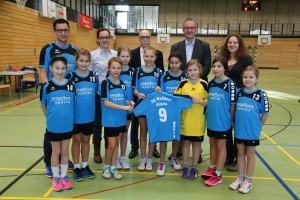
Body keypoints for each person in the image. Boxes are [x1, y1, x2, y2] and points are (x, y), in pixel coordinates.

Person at [39, 18, 77, 177]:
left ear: (69, 31)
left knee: (66, 130)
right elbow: (42, 72)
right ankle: (49, 163)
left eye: (65, 30)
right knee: (51, 132)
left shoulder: (74, 50)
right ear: (55, 32)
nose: (63, 33)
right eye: (60, 30)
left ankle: (63, 159)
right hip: (53, 97)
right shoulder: (48, 49)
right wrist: (51, 91)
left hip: (68, 96)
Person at [170, 17, 211, 162]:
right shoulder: (175, 46)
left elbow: (207, 65)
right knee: (184, 118)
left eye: (192, 27)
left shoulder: (204, 45)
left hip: (198, 85)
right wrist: (186, 79)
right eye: (187, 28)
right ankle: (181, 150)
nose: (189, 30)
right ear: (183, 30)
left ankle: (197, 153)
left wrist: (196, 77)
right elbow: (175, 65)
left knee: (196, 120)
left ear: (196, 29)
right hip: (184, 86)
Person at [229, 65, 269, 194]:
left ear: (256, 78)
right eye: (245, 77)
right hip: (240, 130)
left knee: (250, 155)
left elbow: (265, 113)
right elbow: (234, 109)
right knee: (240, 154)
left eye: (251, 77)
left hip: (252, 132)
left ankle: (248, 180)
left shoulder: (261, 94)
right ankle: (240, 178)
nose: (248, 79)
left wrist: (258, 127)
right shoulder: (239, 92)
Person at [40, 56, 75, 191]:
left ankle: (64, 176)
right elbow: (43, 104)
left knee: (65, 151)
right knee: (56, 151)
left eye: (63, 68)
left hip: (67, 124)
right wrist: (49, 117)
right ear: (51, 68)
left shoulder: (71, 85)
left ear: (66, 69)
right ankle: (56, 177)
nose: (60, 71)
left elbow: (73, 103)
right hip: (54, 125)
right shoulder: (47, 86)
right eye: (57, 68)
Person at [201, 57, 237, 186]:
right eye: (214, 66)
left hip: (223, 122)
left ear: (225, 68)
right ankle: (212, 167)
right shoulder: (210, 83)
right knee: (212, 145)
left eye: (219, 66)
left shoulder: (230, 84)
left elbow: (232, 105)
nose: (215, 69)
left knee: (221, 147)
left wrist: (230, 121)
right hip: (211, 120)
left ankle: (218, 174)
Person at [128, 29, 164, 159]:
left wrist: (159, 89)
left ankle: (152, 151)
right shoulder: (133, 55)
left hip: (154, 103)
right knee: (138, 127)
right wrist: (137, 94)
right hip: (139, 101)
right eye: (142, 37)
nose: (144, 39)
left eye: (147, 37)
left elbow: (161, 79)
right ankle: (135, 148)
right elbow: (134, 82)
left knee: (153, 129)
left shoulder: (158, 59)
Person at [220, 34, 253, 171]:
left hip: (239, 98)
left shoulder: (246, 59)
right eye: (229, 42)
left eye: (234, 42)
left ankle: (235, 158)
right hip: (225, 98)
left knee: (237, 127)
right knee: (226, 126)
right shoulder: (223, 59)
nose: (231, 44)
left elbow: (250, 78)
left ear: (239, 45)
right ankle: (227, 156)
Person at [66, 49, 98, 181]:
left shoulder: (93, 76)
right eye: (81, 60)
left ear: (90, 62)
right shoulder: (71, 77)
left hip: (89, 116)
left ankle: (85, 165)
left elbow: (95, 94)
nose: (84, 63)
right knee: (76, 141)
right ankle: (76, 166)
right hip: (75, 116)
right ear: (76, 61)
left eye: (86, 61)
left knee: (86, 141)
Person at [100, 57, 135, 180]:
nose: (116, 70)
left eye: (118, 68)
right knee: (112, 145)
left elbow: (123, 99)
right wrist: (124, 108)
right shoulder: (105, 83)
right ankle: (106, 166)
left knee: (117, 144)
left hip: (120, 120)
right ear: (109, 68)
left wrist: (129, 102)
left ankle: (114, 167)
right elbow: (106, 103)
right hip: (110, 120)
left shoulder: (122, 84)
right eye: (113, 68)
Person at [175, 59, 208, 180]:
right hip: (185, 120)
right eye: (190, 70)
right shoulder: (183, 84)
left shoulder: (204, 84)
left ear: (200, 70)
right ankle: (185, 165)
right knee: (186, 143)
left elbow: (208, 103)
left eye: (195, 69)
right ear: (186, 71)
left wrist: (200, 101)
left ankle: (194, 167)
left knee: (196, 143)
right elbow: (176, 99)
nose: (193, 72)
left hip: (198, 121)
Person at [132, 46, 163, 171]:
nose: (149, 59)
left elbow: (161, 88)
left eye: (151, 56)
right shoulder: (138, 71)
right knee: (143, 132)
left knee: (153, 133)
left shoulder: (159, 72)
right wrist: (138, 94)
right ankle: (143, 159)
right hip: (142, 106)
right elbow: (134, 89)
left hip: (155, 107)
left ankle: (150, 160)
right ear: (143, 57)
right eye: (146, 56)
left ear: (155, 57)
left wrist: (159, 90)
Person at [89, 28, 117, 164]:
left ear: (110, 38)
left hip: (113, 96)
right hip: (98, 95)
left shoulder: (116, 54)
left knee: (109, 124)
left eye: (107, 37)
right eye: (102, 37)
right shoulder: (92, 55)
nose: (105, 39)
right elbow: (89, 75)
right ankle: (96, 152)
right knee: (97, 124)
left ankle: (108, 150)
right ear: (98, 39)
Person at [158, 53, 188, 174]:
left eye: (177, 63)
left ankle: (174, 157)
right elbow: (161, 92)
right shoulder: (164, 76)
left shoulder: (185, 76)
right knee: (164, 137)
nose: (174, 65)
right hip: (166, 111)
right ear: (168, 63)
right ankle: (161, 162)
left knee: (176, 136)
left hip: (178, 111)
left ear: (180, 63)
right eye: (172, 63)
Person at [115, 46, 134, 170]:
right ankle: (115, 158)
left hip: (129, 108)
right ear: (118, 57)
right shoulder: (115, 70)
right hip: (117, 107)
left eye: (127, 56)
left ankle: (122, 157)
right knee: (117, 134)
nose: (125, 58)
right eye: (123, 56)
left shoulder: (133, 71)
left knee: (124, 132)